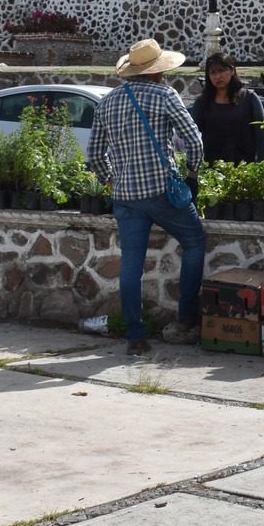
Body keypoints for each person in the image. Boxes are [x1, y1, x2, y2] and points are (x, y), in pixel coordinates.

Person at [85, 39, 206, 353]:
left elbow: (95, 154)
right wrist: (192, 173)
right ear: (157, 72)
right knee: (194, 242)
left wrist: (110, 180)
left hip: (126, 196)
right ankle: (186, 318)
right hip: (161, 190)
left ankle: (136, 335)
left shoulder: (108, 101)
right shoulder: (165, 95)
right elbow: (193, 140)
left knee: (131, 265)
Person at [191, 53, 264, 164]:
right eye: (213, 72)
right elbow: (192, 137)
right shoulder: (202, 103)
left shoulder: (249, 99)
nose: (218, 76)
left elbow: (261, 135)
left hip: (244, 170)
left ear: (232, 71)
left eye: (221, 71)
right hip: (211, 172)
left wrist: (262, 164)